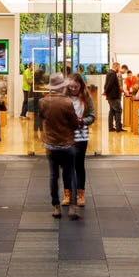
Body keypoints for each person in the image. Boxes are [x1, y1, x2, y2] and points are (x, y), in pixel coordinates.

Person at [39, 73, 83, 219]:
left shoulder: (43, 102)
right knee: (70, 174)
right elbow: (75, 124)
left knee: (53, 176)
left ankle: (56, 207)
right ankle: (72, 206)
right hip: (67, 145)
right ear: (62, 87)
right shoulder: (67, 103)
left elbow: (42, 118)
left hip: (51, 145)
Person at [68, 73, 95, 207]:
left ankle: (80, 194)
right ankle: (67, 194)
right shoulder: (64, 97)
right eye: (71, 87)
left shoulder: (86, 97)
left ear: (81, 85)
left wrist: (82, 121)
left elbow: (92, 116)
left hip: (81, 135)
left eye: (76, 87)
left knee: (79, 165)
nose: (73, 89)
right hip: (66, 135)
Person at [104, 61, 123, 132]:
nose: (119, 68)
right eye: (119, 67)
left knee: (111, 111)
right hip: (114, 96)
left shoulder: (109, 73)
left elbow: (106, 84)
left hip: (110, 96)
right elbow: (109, 85)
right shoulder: (113, 74)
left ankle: (111, 127)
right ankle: (118, 128)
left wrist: (105, 92)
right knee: (118, 111)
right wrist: (106, 92)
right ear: (116, 66)